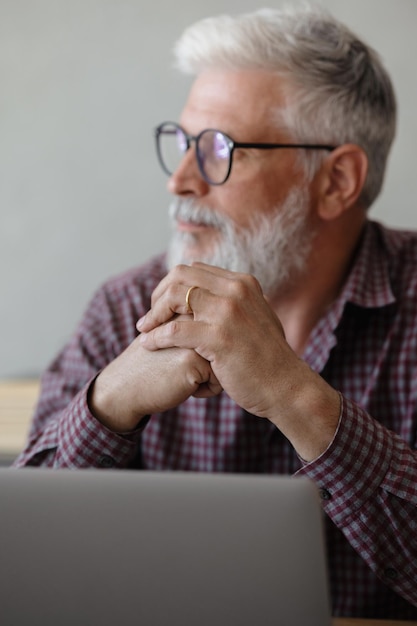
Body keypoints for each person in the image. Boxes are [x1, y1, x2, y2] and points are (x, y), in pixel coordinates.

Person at [14, 4, 417, 619]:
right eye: (181, 144)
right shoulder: (127, 307)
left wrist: (294, 395)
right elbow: (17, 562)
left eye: (218, 149)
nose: (180, 180)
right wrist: (108, 405)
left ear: (336, 181)